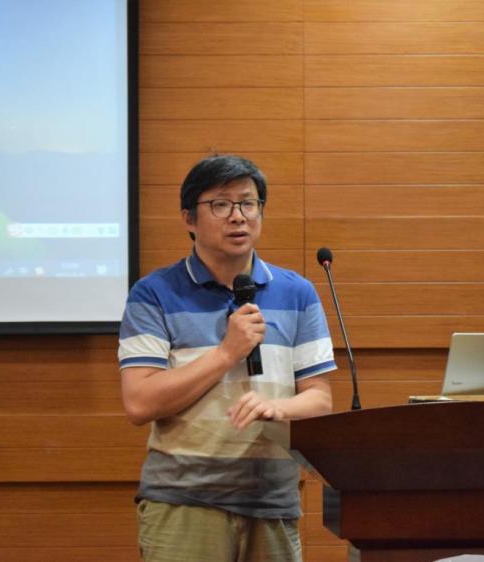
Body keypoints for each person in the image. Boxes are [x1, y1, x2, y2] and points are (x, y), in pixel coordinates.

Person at [118, 154, 336, 562]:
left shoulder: (298, 293)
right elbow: (139, 402)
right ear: (189, 218)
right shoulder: (154, 294)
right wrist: (226, 353)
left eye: (248, 203)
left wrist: (278, 408)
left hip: (272, 500)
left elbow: (320, 400)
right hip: (185, 501)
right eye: (220, 204)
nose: (238, 216)